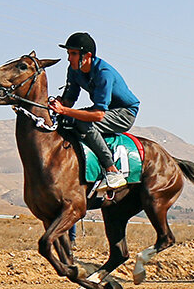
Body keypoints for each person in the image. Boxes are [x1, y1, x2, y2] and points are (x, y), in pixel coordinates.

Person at [47, 32, 140, 191]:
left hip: (124, 113)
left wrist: (65, 110)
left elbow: (98, 115)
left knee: (82, 121)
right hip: (105, 110)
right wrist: (59, 103)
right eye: (69, 53)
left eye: (73, 54)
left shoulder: (104, 74)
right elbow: (69, 100)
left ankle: (112, 170)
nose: (69, 58)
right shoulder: (73, 69)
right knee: (66, 120)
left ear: (87, 55)